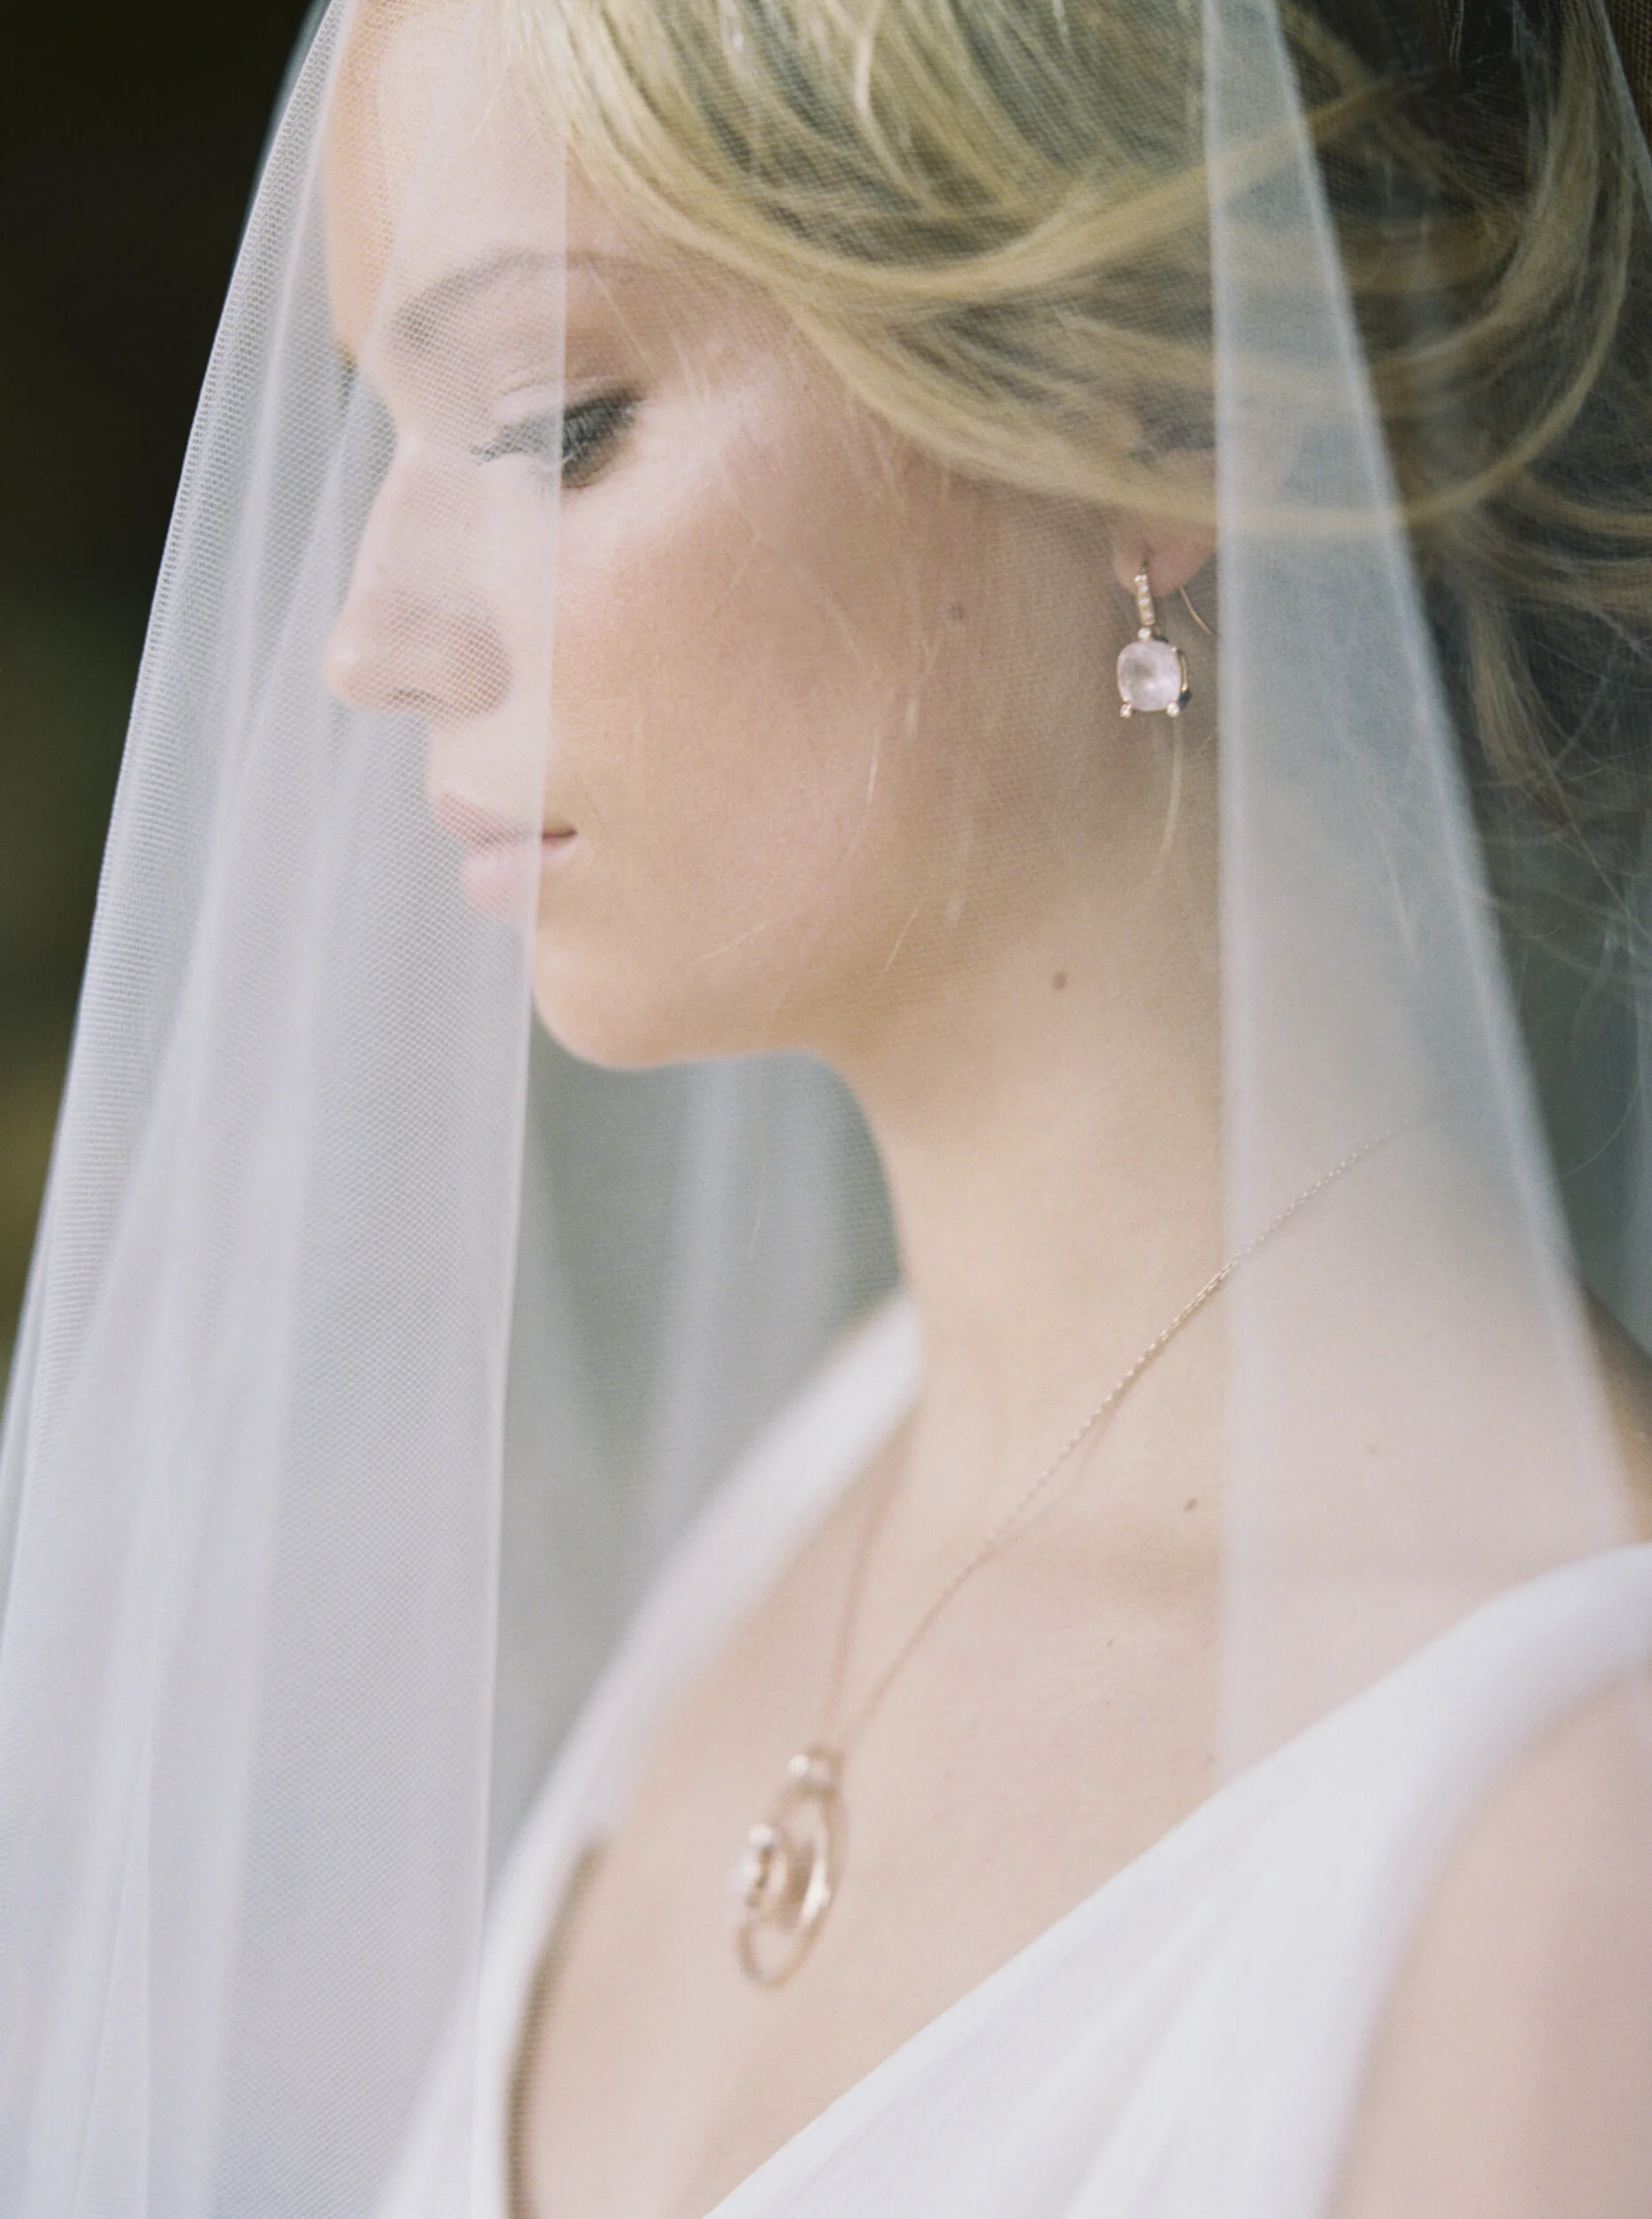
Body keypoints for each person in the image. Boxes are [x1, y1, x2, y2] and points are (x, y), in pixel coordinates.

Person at [3, 2, 1651, 2215]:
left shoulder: (1572, 1865)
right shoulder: (813, 1480)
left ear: (1152, 406)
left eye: (544, 420)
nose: (368, 636)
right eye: (373, 433)